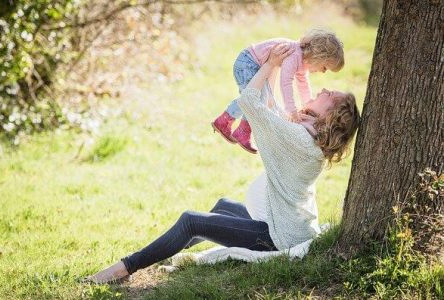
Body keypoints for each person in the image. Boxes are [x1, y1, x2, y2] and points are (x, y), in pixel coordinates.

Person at [86, 44, 360, 284]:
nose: (323, 88)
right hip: (286, 224)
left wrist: (269, 64)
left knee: (191, 221)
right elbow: (274, 110)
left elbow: (250, 101)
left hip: (279, 236)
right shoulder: (308, 135)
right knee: (222, 206)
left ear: (330, 114)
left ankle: (124, 268)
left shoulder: (298, 139)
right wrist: (276, 68)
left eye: (331, 94)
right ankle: (164, 250)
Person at [212, 29, 344, 154]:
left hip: (252, 64)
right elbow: (285, 83)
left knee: (256, 98)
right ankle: (232, 125)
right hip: (248, 63)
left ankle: (237, 127)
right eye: (325, 68)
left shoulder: (301, 61)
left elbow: (303, 84)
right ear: (319, 56)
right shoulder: (294, 54)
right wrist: (291, 110)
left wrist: (308, 104)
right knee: (254, 98)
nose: (323, 72)